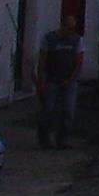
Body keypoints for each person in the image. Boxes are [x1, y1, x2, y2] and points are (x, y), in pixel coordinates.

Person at [35, 10, 84, 149]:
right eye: (69, 27)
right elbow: (42, 61)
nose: (71, 31)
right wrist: (41, 82)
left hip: (69, 80)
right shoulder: (49, 39)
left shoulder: (77, 40)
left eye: (73, 28)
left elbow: (79, 62)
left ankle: (63, 139)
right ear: (62, 25)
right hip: (52, 78)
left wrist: (70, 79)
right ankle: (44, 138)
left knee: (68, 111)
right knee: (48, 109)